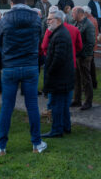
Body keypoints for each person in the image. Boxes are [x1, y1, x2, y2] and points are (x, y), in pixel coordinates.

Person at [0, 0, 46, 156]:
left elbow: (0, 41)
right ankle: (36, 143)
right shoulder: (36, 18)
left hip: (10, 66)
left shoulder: (4, 19)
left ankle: (1, 146)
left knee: (7, 107)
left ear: (11, 2)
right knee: (32, 105)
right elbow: (39, 38)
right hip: (30, 66)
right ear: (26, 2)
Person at [42, 10, 75, 138]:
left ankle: (57, 130)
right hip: (63, 76)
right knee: (63, 104)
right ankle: (66, 126)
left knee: (57, 104)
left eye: (50, 19)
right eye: (48, 19)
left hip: (60, 77)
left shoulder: (60, 34)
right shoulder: (59, 32)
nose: (47, 21)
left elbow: (58, 58)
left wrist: (50, 70)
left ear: (59, 21)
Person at [71, 7, 95, 110]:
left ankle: (88, 102)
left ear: (79, 14)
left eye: (73, 13)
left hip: (85, 56)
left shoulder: (88, 24)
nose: (72, 15)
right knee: (77, 78)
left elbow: (90, 42)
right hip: (78, 55)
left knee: (86, 78)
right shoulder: (76, 23)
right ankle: (77, 100)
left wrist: (83, 53)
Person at [83, 6, 99, 89]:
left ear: (86, 13)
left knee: (88, 67)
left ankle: (90, 85)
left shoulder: (89, 21)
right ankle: (93, 83)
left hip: (89, 46)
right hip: (92, 45)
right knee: (91, 66)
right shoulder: (94, 19)